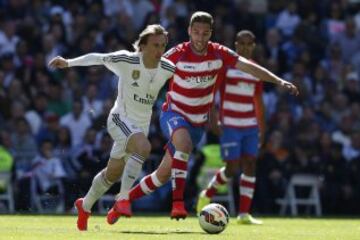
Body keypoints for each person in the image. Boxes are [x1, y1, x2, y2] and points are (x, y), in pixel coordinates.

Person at [108, 11, 298, 222]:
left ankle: (122, 201)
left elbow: (249, 67)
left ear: (210, 34)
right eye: (196, 32)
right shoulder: (177, 54)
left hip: (198, 122)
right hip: (174, 113)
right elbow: (148, 67)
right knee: (184, 143)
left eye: (205, 33)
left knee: (161, 175)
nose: (200, 38)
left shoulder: (219, 53)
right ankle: (178, 204)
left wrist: (279, 81)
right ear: (189, 31)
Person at [48, 24, 175, 231]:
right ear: (141, 46)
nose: (159, 50)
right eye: (154, 45)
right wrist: (68, 62)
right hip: (119, 119)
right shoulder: (127, 60)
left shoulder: (168, 68)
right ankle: (123, 198)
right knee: (143, 148)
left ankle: (85, 205)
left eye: (162, 45)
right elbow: (98, 57)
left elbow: (186, 82)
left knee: (112, 174)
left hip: (139, 126)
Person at [196, 30, 265, 224]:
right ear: (235, 45)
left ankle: (244, 214)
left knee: (250, 164)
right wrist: (213, 119)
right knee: (232, 168)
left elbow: (259, 102)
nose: (245, 47)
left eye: (249, 43)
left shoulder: (257, 70)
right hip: (230, 125)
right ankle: (207, 192)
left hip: (250, 125)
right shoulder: (226, 67)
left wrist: (262, 129)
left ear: (253, 46)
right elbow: (212, 93)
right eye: (241, 43)